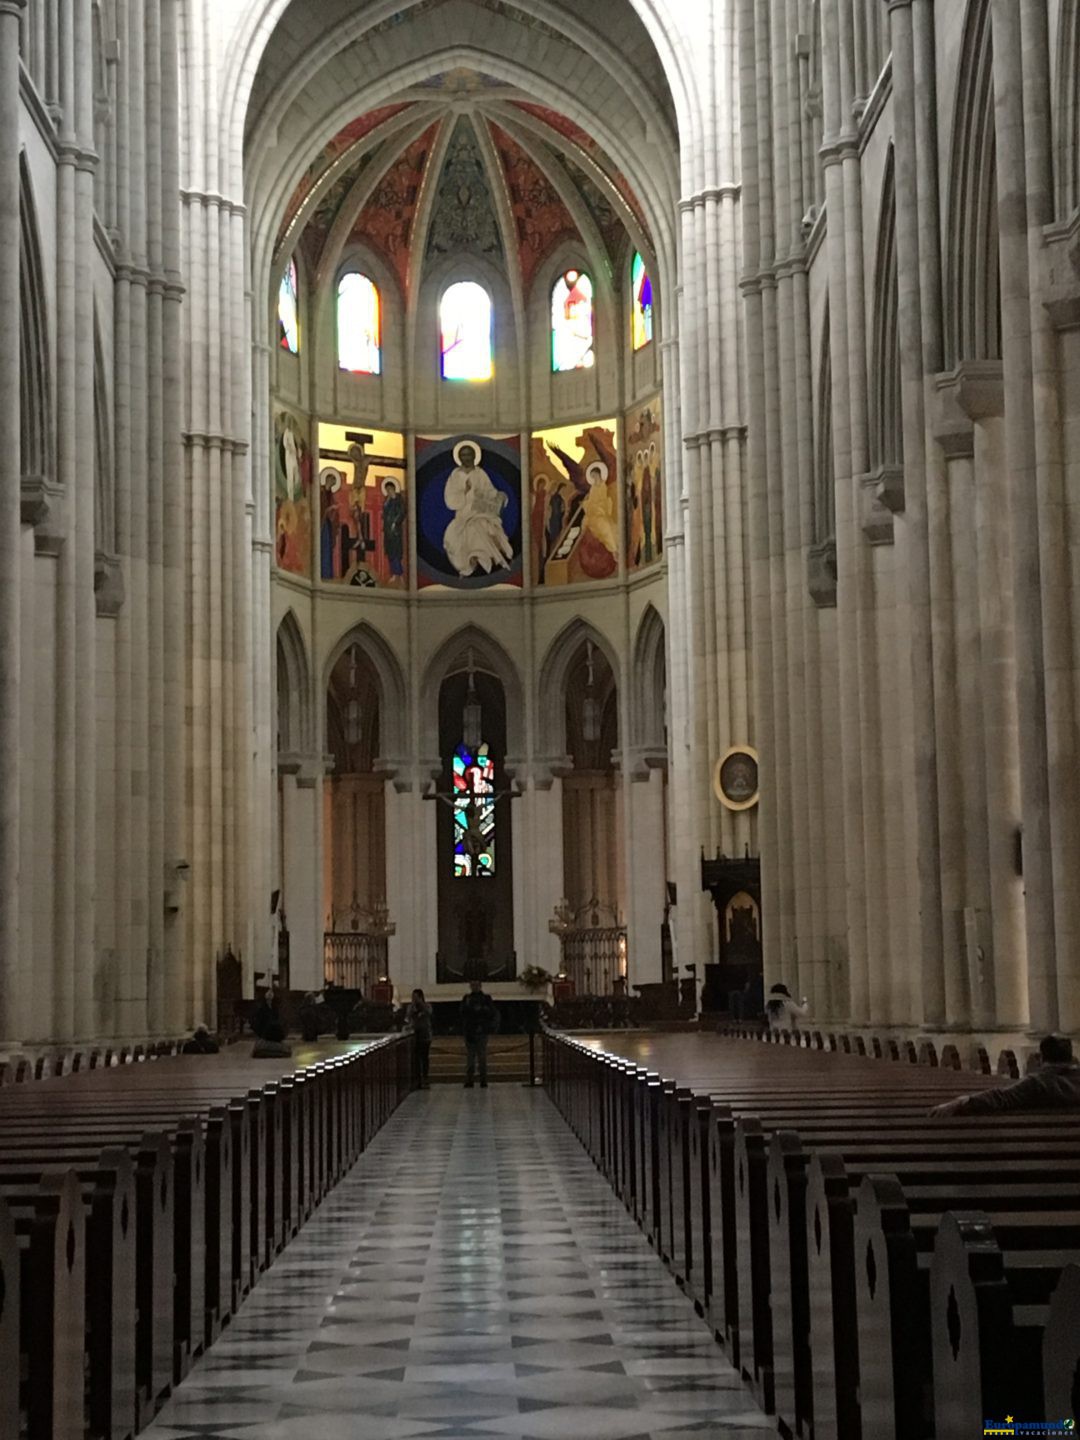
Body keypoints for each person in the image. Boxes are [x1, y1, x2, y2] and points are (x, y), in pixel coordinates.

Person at [929, 1035, 1080, 1117]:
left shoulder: (1037, 1083)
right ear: (1070, 1058)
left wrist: (963, 1101)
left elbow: (1001, 1097)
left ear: (1041, 1058)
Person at [443, 441, 514, 577]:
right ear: (459, 457)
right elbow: (450, 499)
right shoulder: (455, 475)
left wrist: (499, 496)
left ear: (475, 456)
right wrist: (465, 492)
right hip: (463, 515)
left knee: (481, 528)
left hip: (480, 513)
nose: (467, 457)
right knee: (453, 538)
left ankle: (482, 561)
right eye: (463, 455)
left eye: (469, 454)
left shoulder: (480, 473)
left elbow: (489, 491)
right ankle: (467, 566)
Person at [460, 979, 499, 1088]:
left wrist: (481, 1010)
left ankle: (483, 1080)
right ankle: (469, 1080)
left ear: (480, 986)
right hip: (470, 1031)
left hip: (482, 1030)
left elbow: (491, 1012)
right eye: (472, 985)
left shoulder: (486, 999)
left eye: (476, 985)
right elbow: (462, 1013)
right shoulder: (467, 998)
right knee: (470, 1058)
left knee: (482, 1057)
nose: (475, 987)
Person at [405, 987, 434, 1089]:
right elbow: (408, 1017)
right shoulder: (410, 1007)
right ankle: (416, 1080)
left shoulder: (427, 1006)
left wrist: (421, 1004)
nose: (413, 999)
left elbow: (428, 1013)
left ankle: (425, 1079)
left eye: (416, 997)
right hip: (414, 1036)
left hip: (425, 1036)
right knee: (415, 1060)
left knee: (424, 1059)